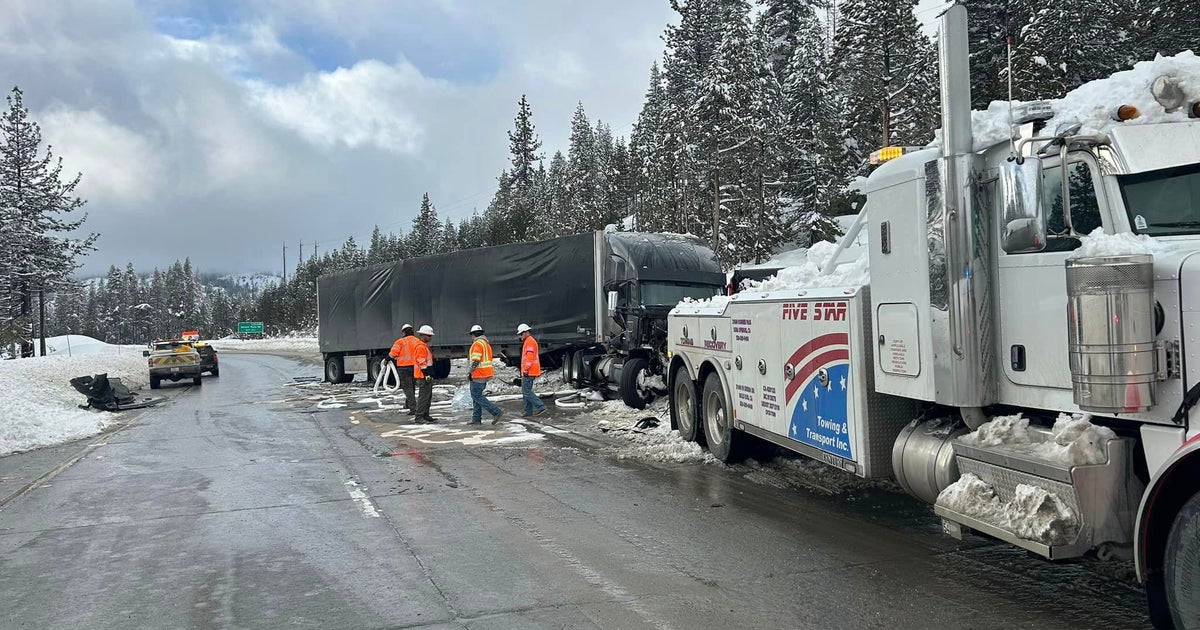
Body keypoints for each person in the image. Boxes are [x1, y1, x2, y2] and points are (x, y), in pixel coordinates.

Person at [467, 324, 503, 425]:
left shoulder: (477, 344)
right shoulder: (486, 344)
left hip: (478, 374)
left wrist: (470, 372)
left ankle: (496, 412)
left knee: (477, 396)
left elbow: (475, 360)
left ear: (473, 335)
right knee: (476, 396)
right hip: (485, 374)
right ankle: (476, 419)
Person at [517, 323, 547, 417]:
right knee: (526, 391)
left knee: (526, 391)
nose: (520, 336)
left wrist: (525, 369)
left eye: (521, 334)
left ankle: (541, 406)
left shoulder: (529, 341)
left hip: (529, 371)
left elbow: (529, 357)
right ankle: (527, 411)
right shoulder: (529, 341)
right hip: (529, 371)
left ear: (526, 332)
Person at [388, 323, 417, 414]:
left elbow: (393, 354)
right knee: (412, 387)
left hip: (403, 368)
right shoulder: (417, 341)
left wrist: (386, 360)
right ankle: (407, 405)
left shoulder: (400, 342)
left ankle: (413, 408)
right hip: (415, 368)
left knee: (407, 388)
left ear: (403, 332)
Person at [412, 325, 436, 424]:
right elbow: (421, 362)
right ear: (423, 335)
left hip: (425, 374)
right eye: (429, 336)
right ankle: (419, 417)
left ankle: (425, 414)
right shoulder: (420, 346)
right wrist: (427, 374)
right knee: (424, 397)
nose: (430, 338)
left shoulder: (423, 345)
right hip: (422, 375)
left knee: (428, 396)